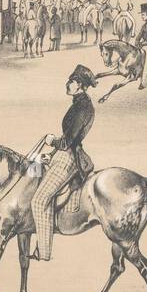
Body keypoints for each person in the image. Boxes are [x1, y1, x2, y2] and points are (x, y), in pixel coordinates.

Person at [31, 65, 97, 262]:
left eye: (72, 81)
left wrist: (53, 141)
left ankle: (43, 252)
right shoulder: (77, 103)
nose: (67, 84)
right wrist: (50, 152)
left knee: (39, 200)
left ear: (81, 86)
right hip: (60, 154)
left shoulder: (84, 107)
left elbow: (68, 141)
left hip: (69, 157)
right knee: (30, 171)